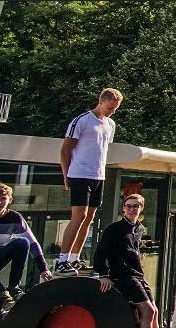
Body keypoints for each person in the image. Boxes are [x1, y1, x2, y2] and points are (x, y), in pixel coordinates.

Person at [55, 87, 123, 276]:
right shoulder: (82, 121)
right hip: (79, 174)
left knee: (89, 218)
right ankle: (62, 260)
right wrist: (66, 175)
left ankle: (75, 258)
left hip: (98, 175)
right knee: (79, 215)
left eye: (115, 109)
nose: (112, 111)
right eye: (110, 107)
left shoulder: (110, 124)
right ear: (101, 102)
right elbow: (65, 150)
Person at [94, 194, 164, 328]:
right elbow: (100, 254)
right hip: (123, 276)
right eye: (129, 206)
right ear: (123, 208)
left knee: (154, 310)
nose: (132, 209)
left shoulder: (139, 228)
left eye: (136, 206)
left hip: (137, 275)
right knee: (147, 310)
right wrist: (104, 275)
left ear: (140, 209)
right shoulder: (114, 229)